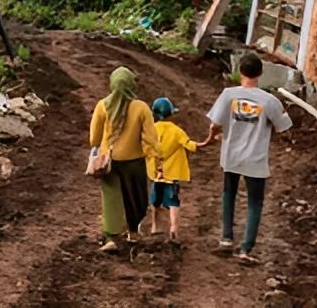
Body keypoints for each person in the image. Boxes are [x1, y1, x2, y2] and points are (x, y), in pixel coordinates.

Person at [206, 52, 292, 264]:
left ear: (239, 71)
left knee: (229, 194)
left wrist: (212, 138)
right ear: (260, 73)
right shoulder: (269, 100)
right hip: (255, 159)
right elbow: (283, 127)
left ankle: (226, 239)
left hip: (231, 156)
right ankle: (246, 248)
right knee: (255, 202)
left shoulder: (228, 95)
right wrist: (284, 111)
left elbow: (214, 124)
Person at [88, 65, 159, 252]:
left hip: (109, 162)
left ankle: (111, 237)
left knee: (111, 198)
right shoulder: (141, 107)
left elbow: (93, 139)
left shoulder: (102, 106)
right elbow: (151, 138)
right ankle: (133, 231)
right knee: (136, 197)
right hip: (134, 162)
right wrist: (157, 158)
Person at [145, 96, 209, 244]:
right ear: (171, 114)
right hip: (172, 174)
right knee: (173, 201)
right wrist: (208, 141)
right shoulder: (177, 131)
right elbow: (191, 145)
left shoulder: (150, 131)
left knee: (155, 201)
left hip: (155, 174)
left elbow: (144, 148)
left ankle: (155, 226)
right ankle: (173, 228)